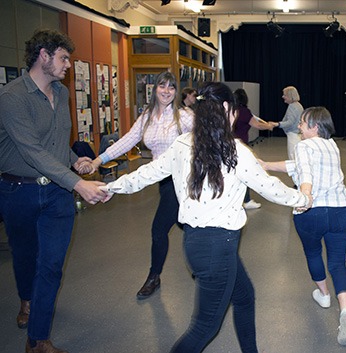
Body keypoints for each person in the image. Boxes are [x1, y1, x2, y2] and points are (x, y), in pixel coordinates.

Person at [102, 82, 312, 353]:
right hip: (217, 248)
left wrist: (110, 187)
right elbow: (270, 188)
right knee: (203, 328)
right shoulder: (235, 151)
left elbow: (146, 174)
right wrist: (303, 199)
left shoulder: (182, 145)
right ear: (226, 108)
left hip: (200, 244)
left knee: (245, 298)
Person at [0, 29, 108, 353]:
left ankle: (37, 340)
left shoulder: (61, 94)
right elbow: (32, 151)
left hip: (58, 193)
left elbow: (58, 145)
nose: (68, 65)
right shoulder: (12, 97)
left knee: (50, 265)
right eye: (64, 57)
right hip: (18, 190)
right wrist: (77, 182)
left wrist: (78, 163)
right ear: (43, 55)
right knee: (24, 256)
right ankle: (26, 301)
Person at [90, 71, 194, 298]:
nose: (166, 91)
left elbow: (207, 136)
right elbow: (127, 140)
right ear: (154, 89)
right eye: (162, 86)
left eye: (171, 87)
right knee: (185, 224)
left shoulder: (183, 115)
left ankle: (153, 276)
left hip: (183, 180)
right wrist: (99, 160)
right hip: (162, 179)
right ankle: (205, 262)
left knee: (159, 229)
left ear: (176, 92)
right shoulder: (147, 116)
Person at [260, 106, 346, 346]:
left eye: (302, 123)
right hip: (341, 210)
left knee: (313, 252)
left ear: (315, 126)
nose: (298, 126)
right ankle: (345, 311)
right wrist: (266, 164)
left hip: (311, 212)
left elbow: (306, 173)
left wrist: (306, 195)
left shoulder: (303, 146)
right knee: (338, 263)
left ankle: (324, 295)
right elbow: (296, 165)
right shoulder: (332, 145)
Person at [233, 88, 274, 210]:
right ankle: (246, 201)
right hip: (241, 147)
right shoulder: (245, 112)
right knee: (245, 172)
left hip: (229, 145)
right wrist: (268, 126)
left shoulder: (231, 110)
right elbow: (257, 125)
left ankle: (238, 200)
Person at [270, 86, 304, 160]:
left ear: (290, 95)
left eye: (285, 95)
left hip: (294, 135)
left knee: (293, 157)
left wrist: (277, 124)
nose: (283, 96)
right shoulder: (297, 105)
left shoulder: (293, 106)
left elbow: (290, 122)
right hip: (296, 135)